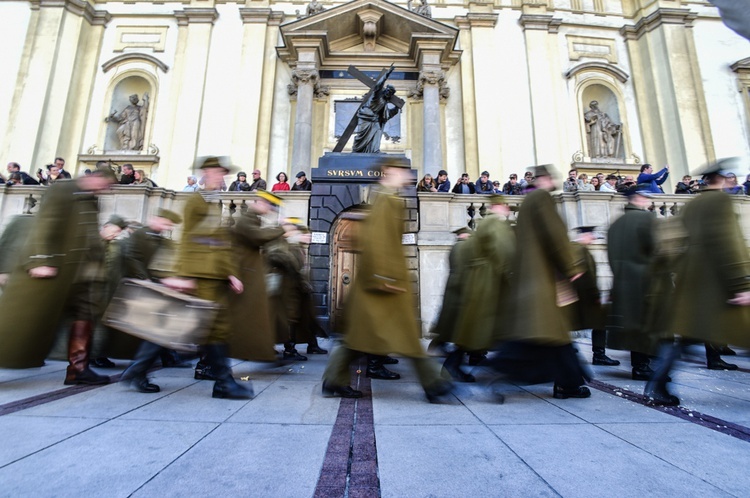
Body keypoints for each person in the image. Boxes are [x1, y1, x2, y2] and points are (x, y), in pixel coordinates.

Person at [322, 158, 453, 402]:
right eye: (401, 171)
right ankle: (434, 385)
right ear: (387, 172)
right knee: (398, 338)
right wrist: (384, 277)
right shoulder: (386, 199)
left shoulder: (387, 198)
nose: (406, 176)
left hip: (383, 281)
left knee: (360, 338)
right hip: (384, 283)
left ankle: (333, 380)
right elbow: (378, 240)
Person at [125, 156, 252, 399]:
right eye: (217, 172)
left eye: (223, 173)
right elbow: (187, 239)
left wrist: (229, 273)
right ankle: (223, 383)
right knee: (206, 328)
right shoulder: (195, 202)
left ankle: (137, 370)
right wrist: (180, 274)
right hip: (199, 276)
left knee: (185, 325)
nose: (221, 177)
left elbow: (217, 244)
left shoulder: (209, 203)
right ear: (206, 173)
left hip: (211, 275)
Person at [0, 165, 117, 386]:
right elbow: (45, 224)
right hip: (55, 268)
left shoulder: (92, 199)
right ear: (95, 178)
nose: (105, 190)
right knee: (21, 323)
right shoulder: (63, 189)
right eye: (105, 184)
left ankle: (78, 369)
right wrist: (41, 259)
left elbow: (89, 233)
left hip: (81, 274)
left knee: (85, 314)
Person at [649, 159, 750, 405]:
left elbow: (670, 240)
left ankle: (659, 382)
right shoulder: (721, 201)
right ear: (723, 179)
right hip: (718, 283)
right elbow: (730, 243)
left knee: (690, 335)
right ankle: (659, 383)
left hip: (693, 282)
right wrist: (741, 283)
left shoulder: (693, 205)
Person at [495, 165, 590, 399]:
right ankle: (568, 383)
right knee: (555, 334)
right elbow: (556, 236)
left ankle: (569, 383)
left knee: (549, 336)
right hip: (545, 279)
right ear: (546, 179)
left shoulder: (528, 201)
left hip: (532, 279)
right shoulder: (542, 198)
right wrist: (571, 266)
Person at [443, 195, 515, 383]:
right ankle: (457, 366)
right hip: (488, 282)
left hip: (479, 281)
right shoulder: (495, 223)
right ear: (500, 206)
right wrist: (509, 275)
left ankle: (454, 365)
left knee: (473, 328)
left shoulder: (483, 223)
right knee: (481, 328)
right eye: (506, 207)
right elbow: (503, 251)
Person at [224, 190, 290, 368]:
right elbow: (258, 237)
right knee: (239, 319)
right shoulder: (246, 219)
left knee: (252, 317)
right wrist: (281, 227)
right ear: (259, 202)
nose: (269, 208)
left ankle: (261, 352)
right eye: (267, 204)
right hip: (242, 274)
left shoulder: (253, 219)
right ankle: (211, 361)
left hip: (249, 274)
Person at [606, 188, 661, 380]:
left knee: (632, 323)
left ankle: (640, 365)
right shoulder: (647, 219)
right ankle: (643, 366)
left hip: (621, 281)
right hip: (646, 280)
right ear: (637, 198)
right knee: (647, 324)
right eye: (646, 197)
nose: (649, 201)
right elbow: (656, 250)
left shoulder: (615, 224)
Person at [567, 227, 619, 367]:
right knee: (600, 322)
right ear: (585, 235)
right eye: (591, 235)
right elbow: (586, 274)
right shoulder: (580, 250)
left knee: (571, 325)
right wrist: (595, 294)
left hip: (576, 296)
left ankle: (574, 352)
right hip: (584, 297)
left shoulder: (574, 248)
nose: (593, 238)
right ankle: (599, 355)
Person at [428, 227, 472, 355]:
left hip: (454, 288)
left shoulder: (459, 246)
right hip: (456, 289)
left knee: (450, 321)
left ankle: (439, 343)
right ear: (464, 235)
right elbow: (459, 269)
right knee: (452, 321)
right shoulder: (460, 247)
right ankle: (439, 344)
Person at [352, 66, 399, 154]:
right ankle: (357, 149)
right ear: (385, 90)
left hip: (375, 120)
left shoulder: (384, 103)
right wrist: (387, 74)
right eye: (388, 90)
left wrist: (396, 109)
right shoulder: (376, 96)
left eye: (391, 92)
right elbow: (379, 85)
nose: (389, 93)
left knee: (378, 131)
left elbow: (386, 115)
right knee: (360, 137)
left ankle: (375, 150)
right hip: (365, 117)